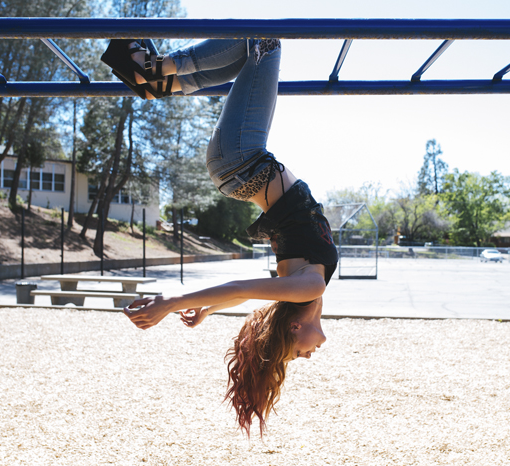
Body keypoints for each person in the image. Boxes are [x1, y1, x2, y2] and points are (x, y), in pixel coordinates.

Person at [102, 38, 338, 437]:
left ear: (296, 329)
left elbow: (239, 284)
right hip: (236, 168)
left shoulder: (308, 285)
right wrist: (210, 310)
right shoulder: (300, 286)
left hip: (242, 159)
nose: (307, 356)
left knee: (263, 41)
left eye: (297, 355)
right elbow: (246, 294)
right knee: (251, 52)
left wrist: (173, 301)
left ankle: (157, 69)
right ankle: (160, 83)